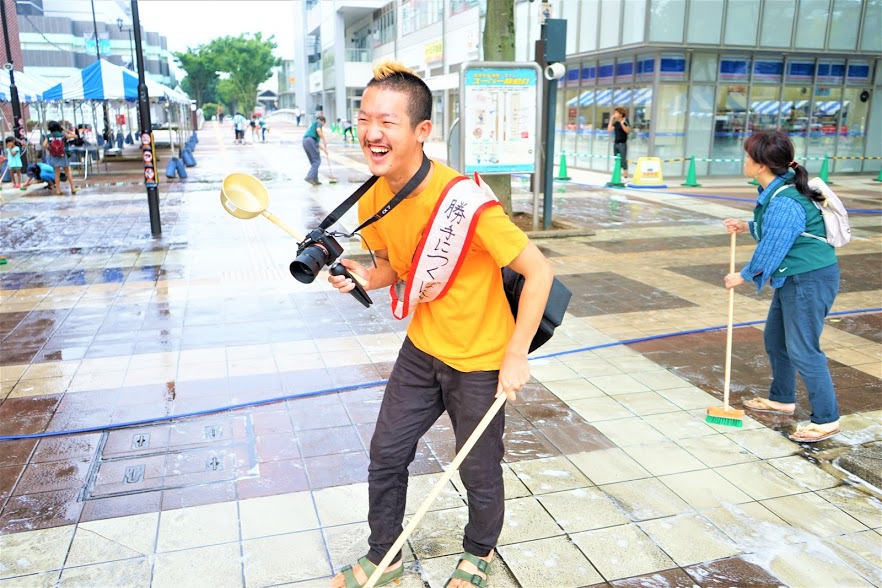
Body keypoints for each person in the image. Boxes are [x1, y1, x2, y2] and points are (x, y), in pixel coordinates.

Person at [327, 60, 553, 588]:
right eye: (364, 119)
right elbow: (395, 268)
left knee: (477, 469)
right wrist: (364, 273)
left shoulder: (465, 204)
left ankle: (478, 556)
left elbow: (538, 271)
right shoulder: (378, 190)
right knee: (386, 453)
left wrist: (517, 353)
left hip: (480, 360)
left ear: (421, 131)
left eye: (388, 121)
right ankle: (385, 558)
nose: (372, 133)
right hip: (422, 349)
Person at [723, 129, 840, 443]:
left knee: (804, 348)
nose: (744, 160)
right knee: (776, 339)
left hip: (810, 279)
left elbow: (773, 247)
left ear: (761, 165)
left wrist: (743, 276)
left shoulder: (785, 199)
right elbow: (780, 231)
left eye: (748, 156)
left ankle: (827, 419)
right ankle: (782, 399)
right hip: (796, 276)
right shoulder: (780, 188)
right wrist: (745, 224)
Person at [43, 120, 77, 195]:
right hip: (62, 155)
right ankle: (73, 188)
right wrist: (65, 129)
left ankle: (58, 190)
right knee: (67, 172)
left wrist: (49, 148)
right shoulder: (63, 135)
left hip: (54, 155)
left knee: (57, 173)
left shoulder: (49, 136)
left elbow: (44, 145)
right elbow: (75, 136)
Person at [302, 115, 327, 186]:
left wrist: (325, 150)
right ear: (323, 121)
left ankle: (315, 180)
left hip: (305, 141)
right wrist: (324, 139)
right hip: (311, 141)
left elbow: (317, 143)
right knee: (316, 161)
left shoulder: (312, 125)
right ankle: (310, 177)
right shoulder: (318, 122)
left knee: (314, 162)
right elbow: (318, 130)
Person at [607, 106, 631, 179]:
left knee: (623, 160)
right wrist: (611, 120)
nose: (614, 114)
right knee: (617, 160)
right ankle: (618, 176)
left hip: (622, 144)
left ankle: (625, 176)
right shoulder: (616, 123)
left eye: (616, 113)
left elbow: (627, 131)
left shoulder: (625, 121)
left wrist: (622, 123)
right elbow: (609, 130)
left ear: (621, 114)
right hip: (616, 143)